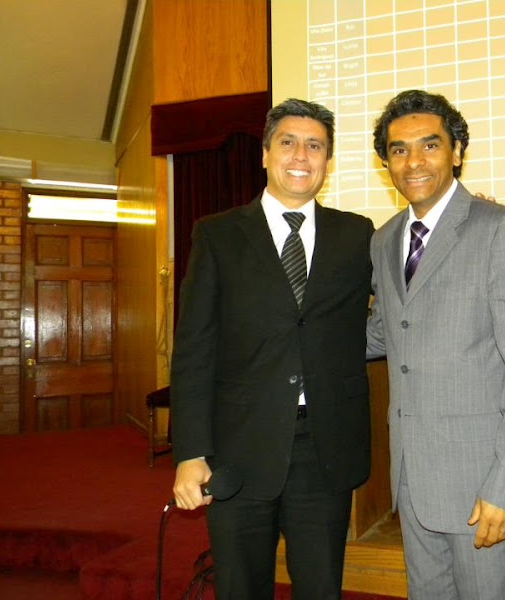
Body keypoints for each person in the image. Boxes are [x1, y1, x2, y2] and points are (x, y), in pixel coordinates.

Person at [170, 98, 374, 599]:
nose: (301, 155)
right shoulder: (217, 234)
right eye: (288, 142)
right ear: (264, 153)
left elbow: (412, 278)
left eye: (315, 146)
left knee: (320, 588)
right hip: (237, 448)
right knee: (240, 587)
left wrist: (465, 226)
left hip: (323, 447)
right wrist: (191, 451)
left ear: (328, 160)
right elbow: (194, 350)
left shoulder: (357, 235)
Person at [366, 90, 505, 600]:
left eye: (429, 145)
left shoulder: (503, 229)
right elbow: (387, 331)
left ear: (456, 151)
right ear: (386, 161)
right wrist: (296, 329)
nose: (414, 161)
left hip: (483, 485)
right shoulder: (384, 239)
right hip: (413, 481)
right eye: (399, 149)